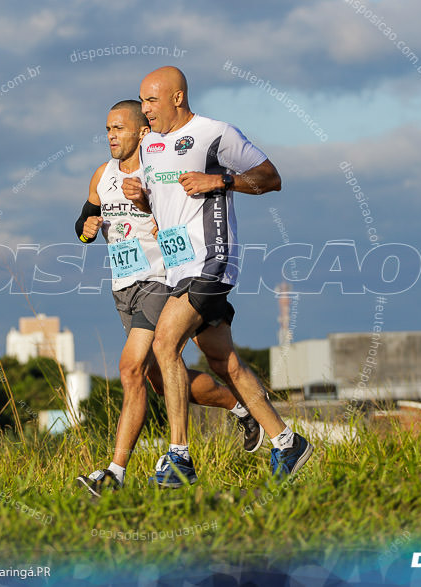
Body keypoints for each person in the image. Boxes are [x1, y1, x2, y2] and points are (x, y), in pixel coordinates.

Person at [123, 67, 313, 488]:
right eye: (142, 101)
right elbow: (160, 207)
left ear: (177, 98)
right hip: (179, 265)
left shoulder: (215, 133)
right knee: (223, 361)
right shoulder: (151, 144)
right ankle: (287, 441)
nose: (145, 109)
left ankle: (179, 457)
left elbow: (270, 179)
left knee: (163, 342)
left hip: (212, 258)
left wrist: (221, 179)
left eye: (151, 100)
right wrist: (141, 200)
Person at [74, 100, 264, 496]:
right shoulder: (102, 176)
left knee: (130, 369)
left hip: (160, 279)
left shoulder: (156, 170)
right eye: (107, 129)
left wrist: (145, 202)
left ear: (142, 132)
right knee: (164, 379)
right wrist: (87, 229)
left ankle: (115, 473)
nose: (111, 136)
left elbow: (176, 220)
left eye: (119, 128)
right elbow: (82, 224)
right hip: (123, 286)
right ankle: (241, 407)